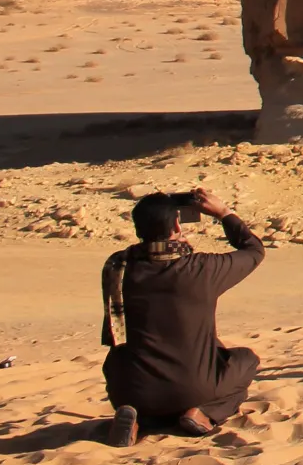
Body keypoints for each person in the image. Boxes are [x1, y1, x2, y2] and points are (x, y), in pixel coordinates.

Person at [99, 189, 264, 447]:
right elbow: (253, 250)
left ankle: (139, 420)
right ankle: (203, 413)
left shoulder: (119, 266)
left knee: (118, 360)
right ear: (177, 224)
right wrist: (223, 213)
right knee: (246, 361)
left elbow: (114, 336)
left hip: (132, 389)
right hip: (196, 387)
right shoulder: (203, 268)